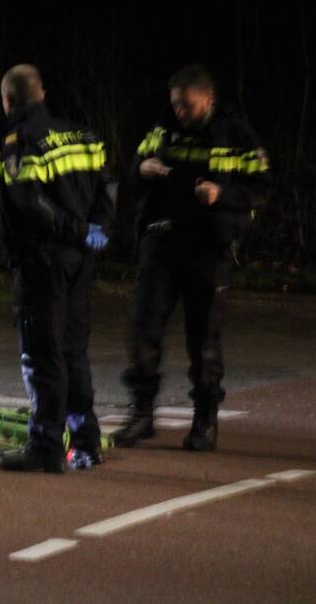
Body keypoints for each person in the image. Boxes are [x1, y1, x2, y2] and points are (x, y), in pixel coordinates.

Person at [112, 64, 272, 451]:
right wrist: (141, 168)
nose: (180, 111)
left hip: (208, 247)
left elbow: (263, 187)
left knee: (203, 339)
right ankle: (142, 414)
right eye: (176, 104)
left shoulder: (235, 134)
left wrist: (221, 195)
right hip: (161, 240)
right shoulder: (162, 128)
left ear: (209, 99)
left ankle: (205, 420)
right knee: (143, 329)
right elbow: (131, 177)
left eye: (188, 105)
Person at [0, 64, 115, 473]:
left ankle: (45, 446)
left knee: (42, 357)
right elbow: (107, 186)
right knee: (73, 351)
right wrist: (97, 228)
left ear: (9, 101)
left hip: (43, 261)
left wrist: (74, 230)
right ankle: (86, 442)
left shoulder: (18, 141)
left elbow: (27, 203)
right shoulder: (83, 134)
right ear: (42, 94)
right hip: (81, 260)